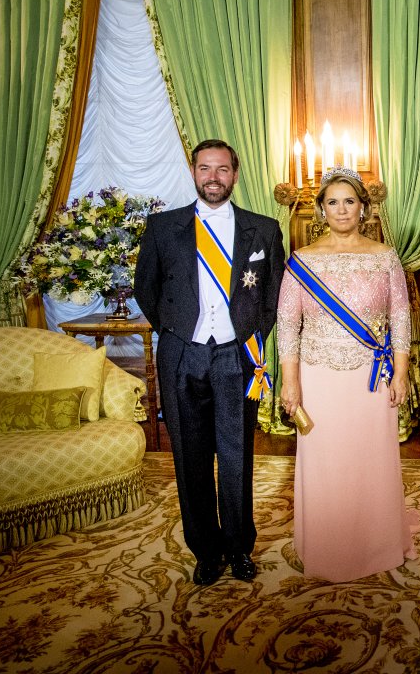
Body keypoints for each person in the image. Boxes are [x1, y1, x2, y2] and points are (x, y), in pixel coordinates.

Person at [135, 139, 285, 585]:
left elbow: (273, 296)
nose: (213, 177)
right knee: (191, 457)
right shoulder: (163, 228)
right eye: (205, 168)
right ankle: (206, 551)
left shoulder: (264, 228)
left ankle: (239, 548)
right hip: (182, 354)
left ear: (235, 175)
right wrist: (178, 329)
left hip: (237, 355)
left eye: (222, 169)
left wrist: (248, 336)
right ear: (194, 172)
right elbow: (147, 289)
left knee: (236, 456)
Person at [277, 166, 418, 582]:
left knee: (370, 460)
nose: (341, 210)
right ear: (321, 209)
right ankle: (324, 544)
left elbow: (401, 319)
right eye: (332, 202)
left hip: (371, 378)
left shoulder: (385, 257)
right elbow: (287, 325)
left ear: (364, 208)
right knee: (324, 462)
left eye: (349, 201)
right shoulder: (301, 260)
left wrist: (403, 373)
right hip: (319, 376)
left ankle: (376, 543)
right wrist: (291, 382)